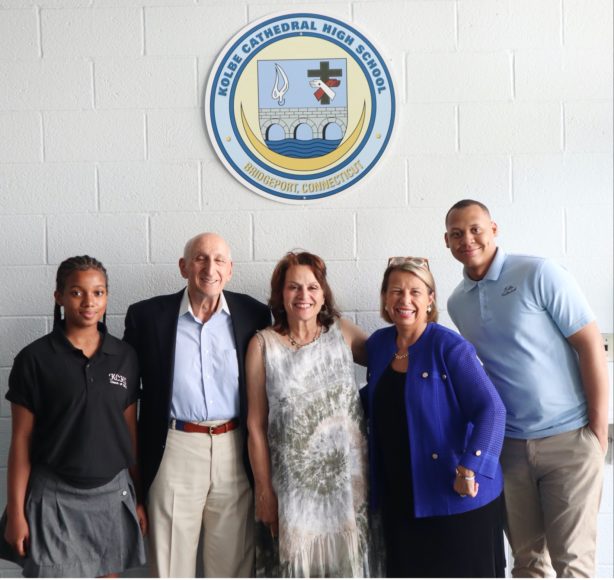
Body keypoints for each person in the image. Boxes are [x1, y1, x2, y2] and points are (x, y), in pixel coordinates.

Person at [444, 199, 609, 577]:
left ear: (494, 229)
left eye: (475, 229)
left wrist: (598, 432)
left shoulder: (540, 273)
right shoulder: (457, 303)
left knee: (574, 563)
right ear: (447, 241)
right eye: (456, 233)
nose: (467, 239)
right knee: (528, 563)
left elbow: (589, 344)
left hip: (570, 440)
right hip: (511, 449)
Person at [123, 232, 270, 578]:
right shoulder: (147, 317)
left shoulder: (254, 313)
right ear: (183, 267)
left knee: (232, 566)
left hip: (235, 447)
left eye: (219, 260)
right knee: (170, 565)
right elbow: (124, 391)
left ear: (230, 269)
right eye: (201, 258)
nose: (210, 267)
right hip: (174, 447)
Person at [2, 256, 147, 578]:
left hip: (111, 495)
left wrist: (140, 498)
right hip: (54, 496)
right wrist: (15, 513)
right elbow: (21, 442)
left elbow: (130, 432)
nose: (88, 302)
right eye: (77, 292)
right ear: (60, 296)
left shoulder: (124, 356)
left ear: (107, 297)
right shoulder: (34, 359)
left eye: (98, 293)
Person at [362, 256, 507, 578]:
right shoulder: (379, 345)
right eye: (396, 291)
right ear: (385, 298)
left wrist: (470, 468)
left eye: (415, 291)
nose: (405, 300)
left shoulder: (449, 347)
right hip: (399, 498)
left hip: (453, 493)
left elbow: (492, 409)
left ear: (430, 300)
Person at [246, 251, 371, 577]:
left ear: (323, 293)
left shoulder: (341, 333)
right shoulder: (262, 345)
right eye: (293, 287)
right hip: (291, 493)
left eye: (312, 287)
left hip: (348, 487)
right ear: (280, 294)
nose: (304, 296)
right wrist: (264, 492)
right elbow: (256, 427)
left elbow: (395, 360)